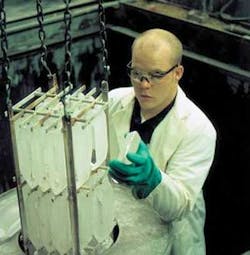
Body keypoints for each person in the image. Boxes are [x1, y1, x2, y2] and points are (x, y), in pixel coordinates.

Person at [108, 28, 216, 254]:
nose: (144, 84)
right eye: (137, 73)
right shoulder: (114, 101)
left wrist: (155, 180)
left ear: (178, 73)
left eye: (156, 75)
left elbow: (180, 206)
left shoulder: (198, 128)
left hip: (173, 236)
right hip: (122, 228)